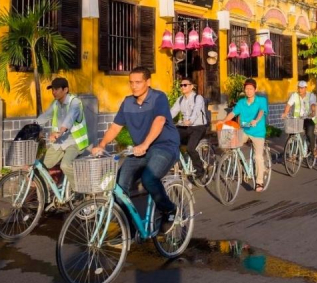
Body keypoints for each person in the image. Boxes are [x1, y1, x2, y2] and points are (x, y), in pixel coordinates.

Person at [91, 67, 180, 233]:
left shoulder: (158, 97)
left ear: (148, 82)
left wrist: (145, 144)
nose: (134, 86)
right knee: (119, 185)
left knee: (149, 179)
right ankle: (129, 227)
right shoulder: (127, 102)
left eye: (138, 82)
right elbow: (115, 127)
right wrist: (102, 145)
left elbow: (159, 121)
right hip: (139, 150)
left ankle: (169, 209)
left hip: (164, 147)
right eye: (131, 82)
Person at [36, 77, 90, 194]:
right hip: (60, 142)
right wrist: (33, 127)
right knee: (43, 165)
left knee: (65, 165)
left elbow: (69, 118)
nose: (53, 92)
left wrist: (59, 132)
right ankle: (50, 190)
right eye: (52, 90)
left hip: (75, 142)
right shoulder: (55, 103)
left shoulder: (75, 102)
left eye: (56, 89)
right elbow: (45, 116)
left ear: (65, 90)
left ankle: (81, 189)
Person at [218, 78, 270, 192]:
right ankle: (240, 165)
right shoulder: (241, 102)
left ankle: (259, 181)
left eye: (251, 89)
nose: (248, 91)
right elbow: (233, 113)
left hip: (258, 132)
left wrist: (256, 120)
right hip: (245, 130)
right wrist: (224, 121)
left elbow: (261, 112)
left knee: (258, 157)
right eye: (246, 89)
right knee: (231, 145)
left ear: (255, 89)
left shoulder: (261, 100)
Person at [170, 77, 210, 179]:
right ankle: (178, 164)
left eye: (185, 85)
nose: (182, 87)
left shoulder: (198, 98)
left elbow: (196, 111)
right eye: (181, 85)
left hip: (198, 127)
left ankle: (200, 170)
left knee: (190, 148)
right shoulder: (180, 100)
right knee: (171, 140)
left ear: (192, 86)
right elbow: (173, 111)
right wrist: (163, 120)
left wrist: (190, 121)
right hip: (185, 127)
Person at [281, 80, 317, 159]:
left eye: (302, 88)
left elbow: (313, 104)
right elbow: (289, 105)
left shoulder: (311, 95)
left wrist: (313, 111)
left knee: (309, 133)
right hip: (297, 119)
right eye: (299, 88)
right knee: (292, 134)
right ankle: (294, 153)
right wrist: (285, 113)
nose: (300, 90)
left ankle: (313, 149)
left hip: (308, 118)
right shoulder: (294, 95)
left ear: (305, 88)